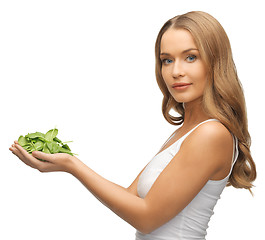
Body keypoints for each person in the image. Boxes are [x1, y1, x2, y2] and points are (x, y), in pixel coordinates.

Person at [9, 11, 256, 240]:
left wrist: (73, 166)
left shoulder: (211, 134)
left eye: (190, 57)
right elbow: (131, 197)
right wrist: (64, 164)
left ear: (215, 62)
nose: (175, 71)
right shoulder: (186, 132)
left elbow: (147, 218)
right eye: (167, 60)